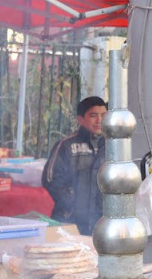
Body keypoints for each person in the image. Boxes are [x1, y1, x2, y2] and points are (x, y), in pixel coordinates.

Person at [42, 96, 108, 236]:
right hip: (70, 220)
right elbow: (50, 177)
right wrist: (72, 203)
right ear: (80, 119)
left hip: (103, 222)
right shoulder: (66, 145)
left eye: (103, 115)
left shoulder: (113, 146)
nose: (99, 121)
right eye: (93, 115)